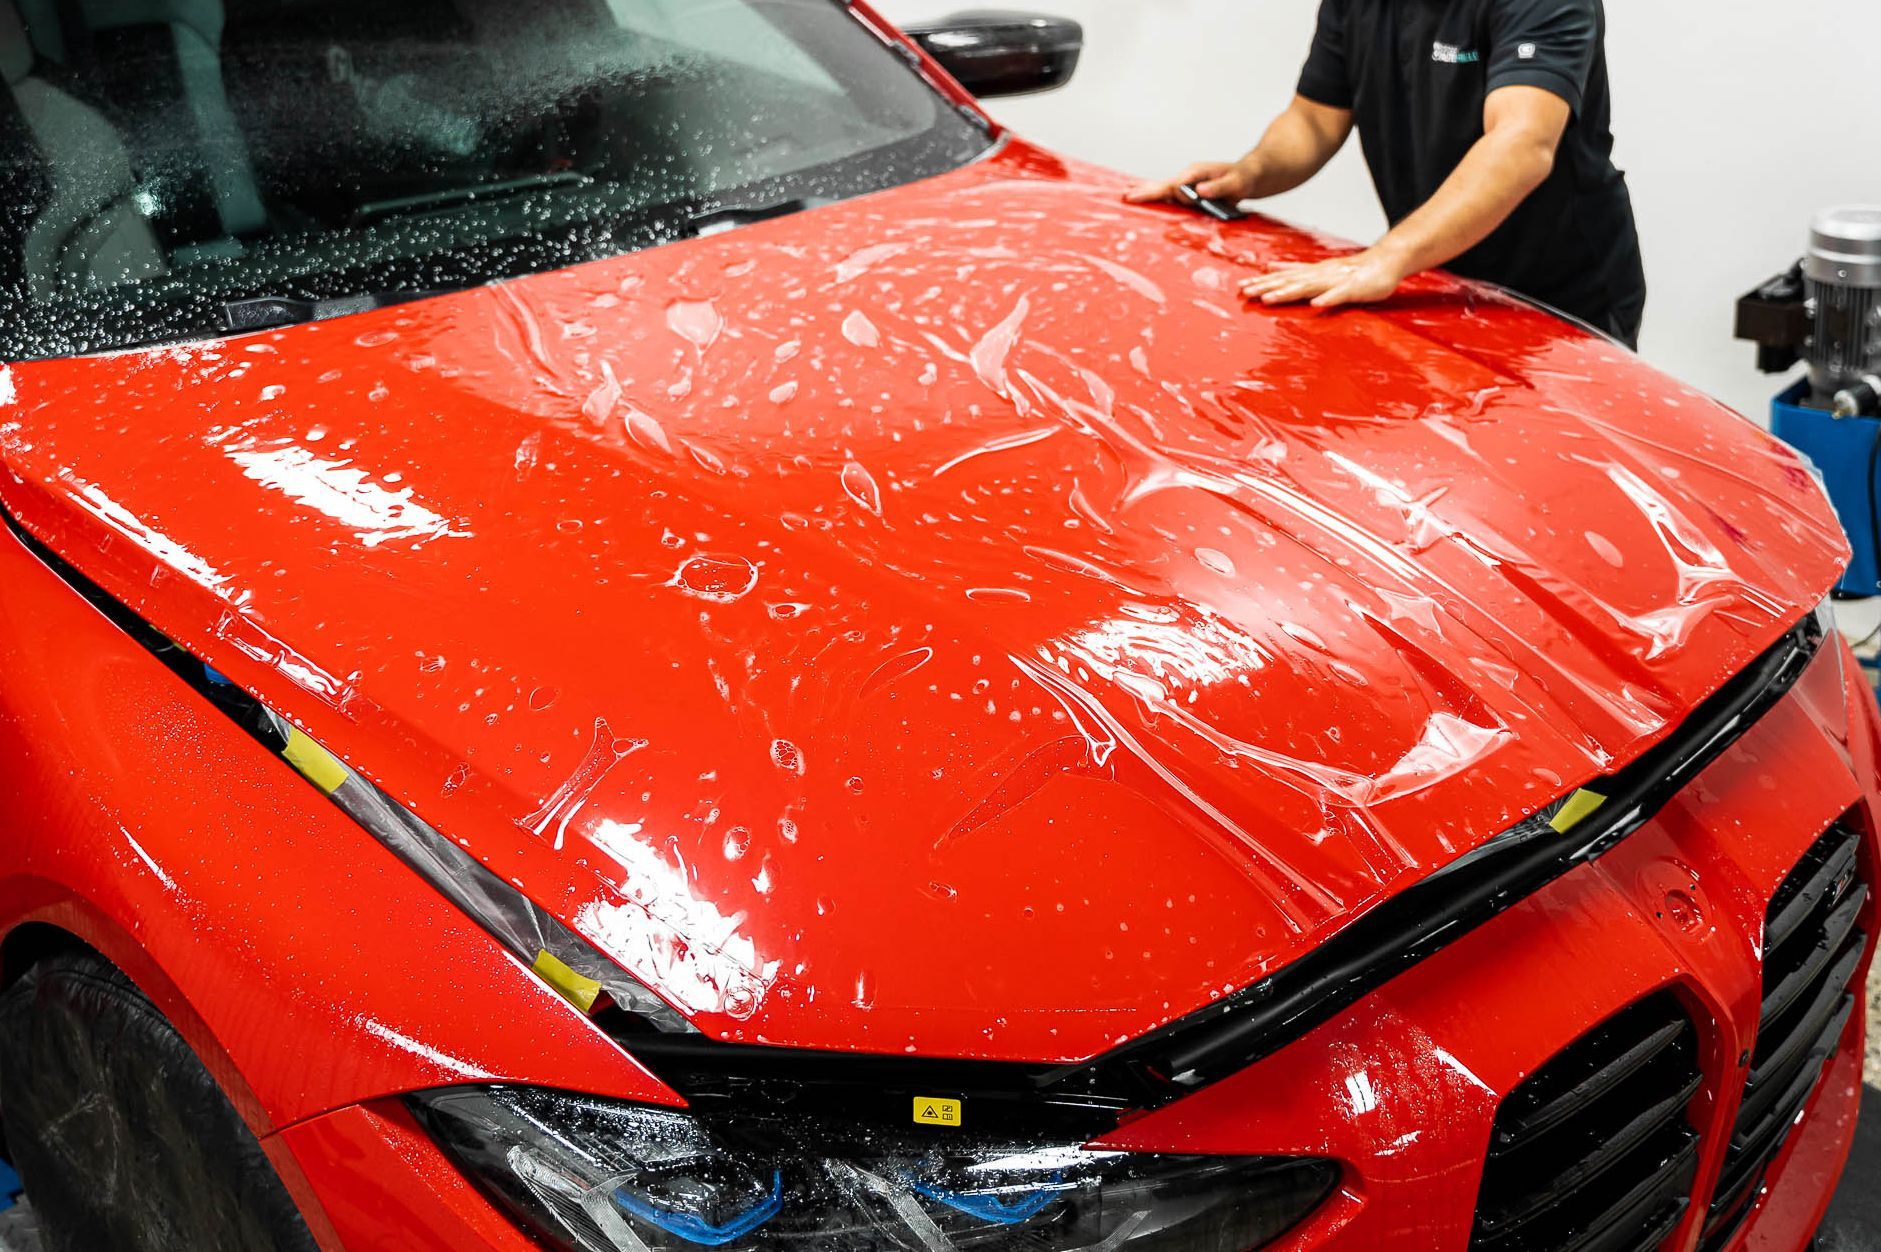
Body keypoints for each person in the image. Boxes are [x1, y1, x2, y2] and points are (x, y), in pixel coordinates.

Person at [1127, 0, 1646, 349]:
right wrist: (1248, 174)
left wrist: (1389, 256)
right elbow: (1314, 119)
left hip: (1558, 295)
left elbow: (1522, 143)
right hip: (1433, 277)